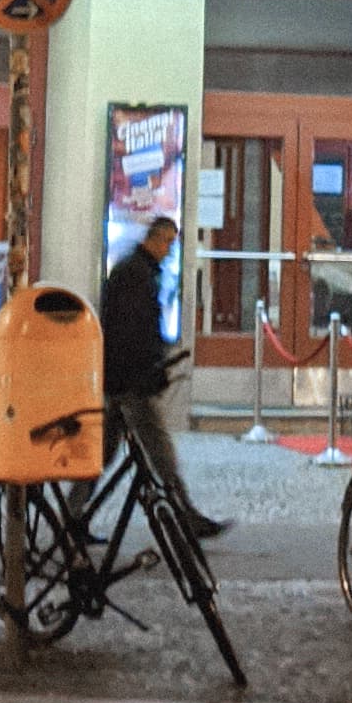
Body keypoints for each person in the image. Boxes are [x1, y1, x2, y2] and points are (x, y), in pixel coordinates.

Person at [99, 214, 228, 542]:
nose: (170, 250)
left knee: (101, 455)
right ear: (154, 239)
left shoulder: (136, 271)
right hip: (130, 383)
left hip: (120, 379)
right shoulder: (135, 275)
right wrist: (147, 372)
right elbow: (131, 333)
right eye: (168, 243)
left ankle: (71, 518)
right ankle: (186, 516)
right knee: (160, 452)